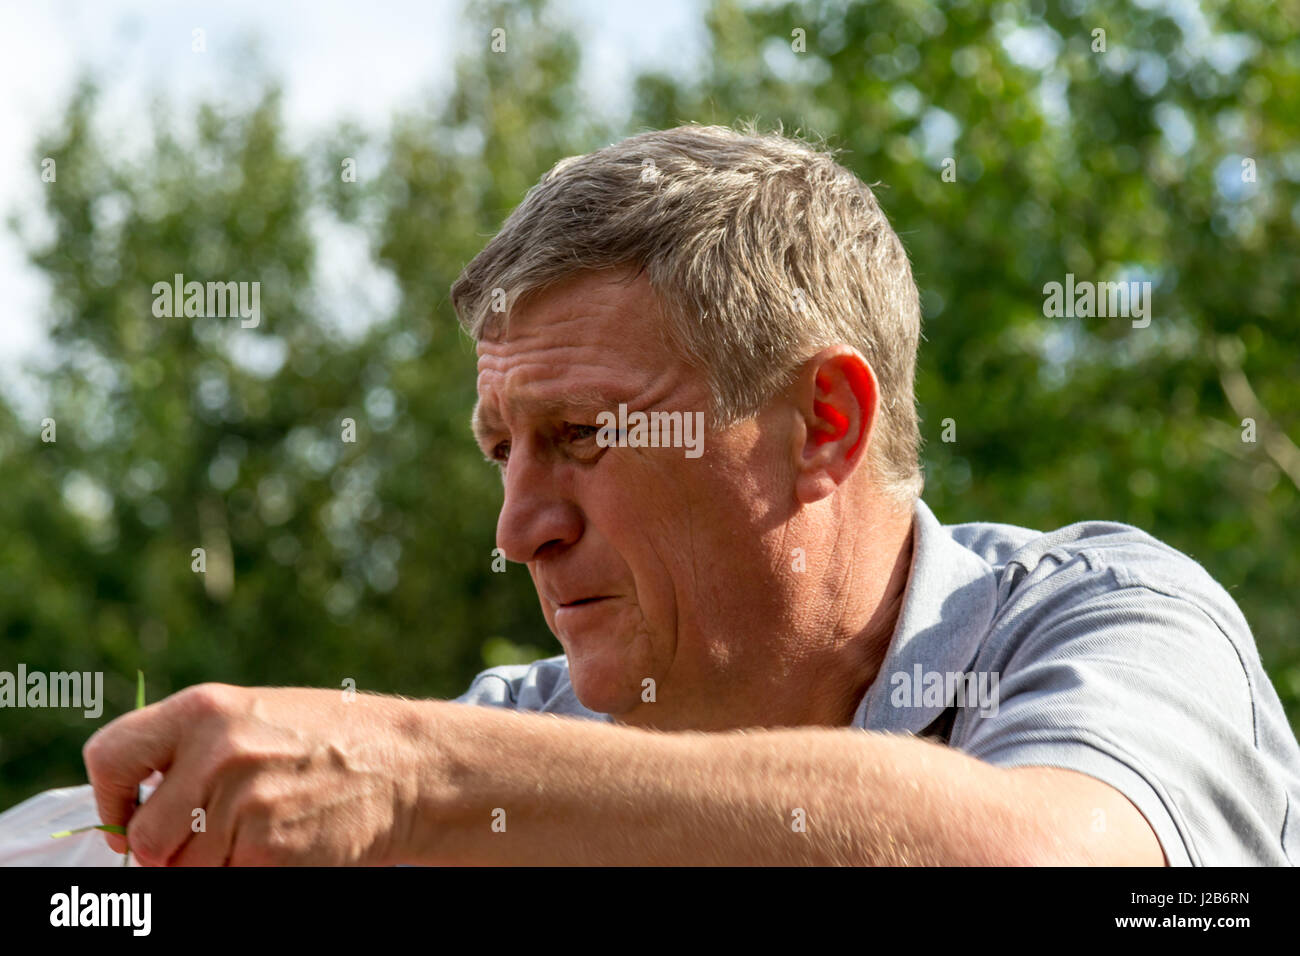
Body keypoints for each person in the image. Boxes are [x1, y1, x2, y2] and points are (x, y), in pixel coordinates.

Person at [82, 124, 1300, 866]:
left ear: (824, 423)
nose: (521, 528)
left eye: (581, 435)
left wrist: (410, 779)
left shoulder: (1111, 621)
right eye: (499, 448)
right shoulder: (529, 737)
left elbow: (1038, 857)